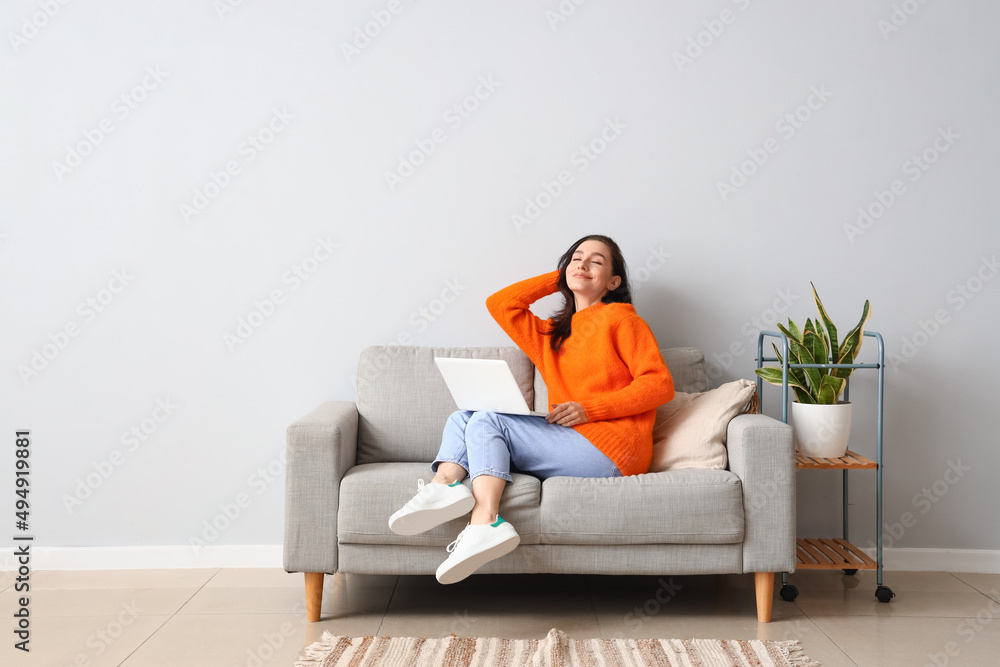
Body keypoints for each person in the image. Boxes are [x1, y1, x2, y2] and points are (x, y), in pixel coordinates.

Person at [388, 234, 675, 584]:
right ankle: (444, 485)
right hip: (570, 441)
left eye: (596, 261)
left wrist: (590, 409)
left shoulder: (622, 319)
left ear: (613, 282)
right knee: (463, 416)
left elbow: (659, 384)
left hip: (611, 451)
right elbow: (501, 304)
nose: (583, 264)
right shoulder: (551, 335)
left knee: (488, 422)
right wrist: (562, 278)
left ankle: (485, 521)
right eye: (576, 258)